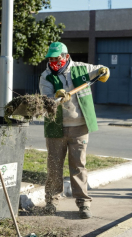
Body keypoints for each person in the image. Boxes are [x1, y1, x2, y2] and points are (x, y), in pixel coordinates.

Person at [39, 42, 110, 219]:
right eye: (51, 58)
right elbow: (46, 101)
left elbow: (100, 69)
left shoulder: (80, 69)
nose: (54, 61)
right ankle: (51, 201)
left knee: (79, 166)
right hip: (56, 127)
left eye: (57, 58)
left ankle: (83, 203)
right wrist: (55, 97)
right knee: (54, 166)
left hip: (79, 126)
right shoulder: (46, 76)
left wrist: (104, 71)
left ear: (66, 56)